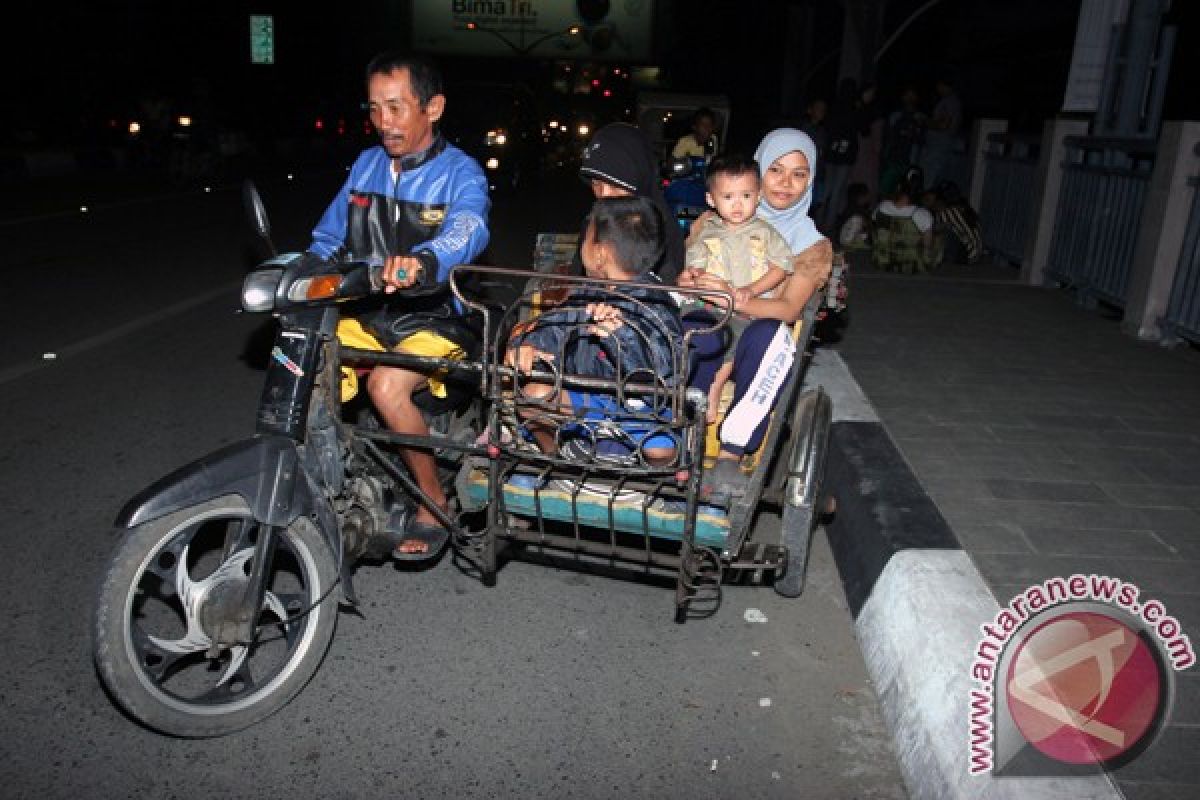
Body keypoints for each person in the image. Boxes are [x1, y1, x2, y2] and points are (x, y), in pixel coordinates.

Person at [305, 52, 490, 561]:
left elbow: (468, 228)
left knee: (386, 386)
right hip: (365, 314)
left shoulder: (461, 172)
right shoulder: (365, 166)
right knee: (300, 362)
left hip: (435, 319)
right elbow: (329, 236)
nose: (383, 122)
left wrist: (427, 260)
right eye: (374, 109)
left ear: (432, 107)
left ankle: (434, 499)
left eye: (395, 107)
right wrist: (302, 268)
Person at [679, 129, 832, 500]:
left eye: (799, 173)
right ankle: (679, 438)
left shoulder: (811, 245)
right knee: (691, 328)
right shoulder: (711, 221)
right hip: (712, 317)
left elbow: (788, 308)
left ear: (811, 180)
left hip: (759, 331)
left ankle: (731, 454)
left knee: (770, 337)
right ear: (758, 172)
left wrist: (734, 298)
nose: (786, 183)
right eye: (776, 170)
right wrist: (689, 282)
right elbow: (691, 275)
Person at [507, 195, 683, 466]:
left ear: (600, 254)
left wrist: (621, 338)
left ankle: (653, 482)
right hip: (586, 400)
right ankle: (554, 459)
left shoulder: (656, 303)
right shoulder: (585, 294)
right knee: (533, 397)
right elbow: (554, 328)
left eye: (586, 239)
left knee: (661, 451)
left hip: (638, 409)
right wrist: (528, 345)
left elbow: (661, 371)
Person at [682, 153, 793, 423]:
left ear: (758, 197)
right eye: (728, 197)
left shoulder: (765, 233)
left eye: (745, 196)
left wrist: (752, 290)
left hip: (741, 309)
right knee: (693, 328)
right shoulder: (706, 232)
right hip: (706, 304)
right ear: (711, 199)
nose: (737, 205)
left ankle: (715, 388)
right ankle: (682, 388)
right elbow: (695, 268)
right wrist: (690, 278)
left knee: (735, 334)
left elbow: (781, 267)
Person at [572, 122, 685, 284]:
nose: (604, 194)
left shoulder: (662, 232)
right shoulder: (594, 221)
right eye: (596, 183)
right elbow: (577, 277)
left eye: (614, 185)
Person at [871, 179, 934, 274]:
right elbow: (927, 241)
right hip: (911, 263)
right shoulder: (922, 213)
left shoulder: (883, 206)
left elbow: (874, 222)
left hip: (883, 259)